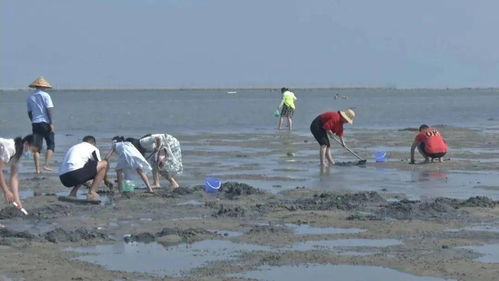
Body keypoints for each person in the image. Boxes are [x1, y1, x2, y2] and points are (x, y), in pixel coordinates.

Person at [27, 76, 55, 174]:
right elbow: (49, 110)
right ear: (43, 86)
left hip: (35, 123)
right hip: (45, 122)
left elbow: (29, 112)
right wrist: (51, 123)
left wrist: (33, 121)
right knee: (51, 144)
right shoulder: (46, 95)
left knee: (36, 147)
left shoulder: (30, 97)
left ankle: (37, 169)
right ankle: (46, 165)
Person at [0, 135, 35, 209]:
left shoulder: (18, 155)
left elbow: (14, 177)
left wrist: (17, 200)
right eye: (32, 150)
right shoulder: (10, 147)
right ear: (26, 144)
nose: (32, 153)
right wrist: (6, 191)